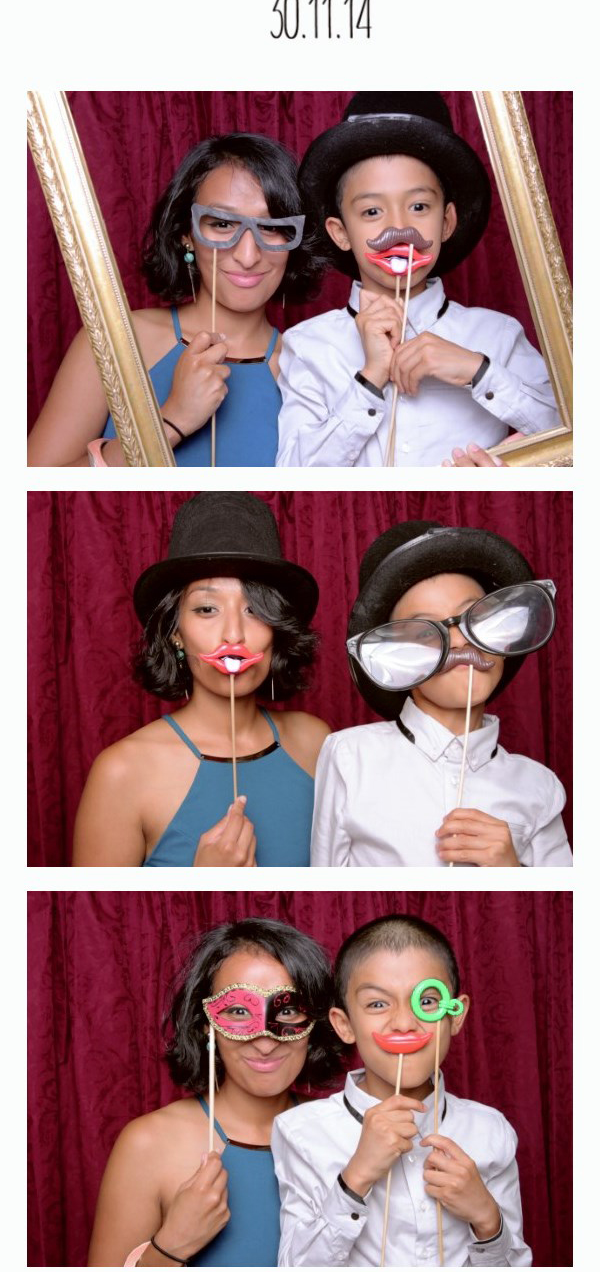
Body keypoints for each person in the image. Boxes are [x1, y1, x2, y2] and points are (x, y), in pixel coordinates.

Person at [276, 93, 560, 467]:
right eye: (372, 211)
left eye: (419, 206)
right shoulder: (308, 346)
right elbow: (293, 476)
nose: (398, 227)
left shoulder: (499, 335)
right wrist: (370, 379)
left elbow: (572, 440)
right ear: (340, 232)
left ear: (446, 223)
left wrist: (477, 371)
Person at [28, 132, 320, 467]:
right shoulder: (120, 340)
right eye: (222, 224)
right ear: (186, 234)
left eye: (271, 227)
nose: (248, 255)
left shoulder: (310, 368)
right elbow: (33, 492)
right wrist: (172, 421)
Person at [73, 493, 328, 867]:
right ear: (176, 632)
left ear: (277, 628)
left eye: (255, 609)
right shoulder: (122, 771)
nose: (233, 634)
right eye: (207, 609)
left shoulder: (316, 741)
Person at [272, 913, 532, 1267]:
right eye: (378, 1004)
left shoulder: (491, 1130)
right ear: (344, 1025)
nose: (405, 1023)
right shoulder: (301, 1132)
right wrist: (356, 1177)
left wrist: (487, 1218)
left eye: (426, 1001)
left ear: (456, 1015)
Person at [310, 519, 572, 868]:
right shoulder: (350, 756)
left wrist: (512, 871)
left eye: (478, 618)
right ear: (394, 658)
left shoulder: (539, 785)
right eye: (425, 633)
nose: (461, 641)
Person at [88, 917, 343, 1266]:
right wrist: (171, 1245)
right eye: (238, 1011)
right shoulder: (148, 1144)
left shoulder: (342, 1131)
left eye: (286, 1010)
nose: (265, 1042)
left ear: (314, 1023)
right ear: (207, 1024)